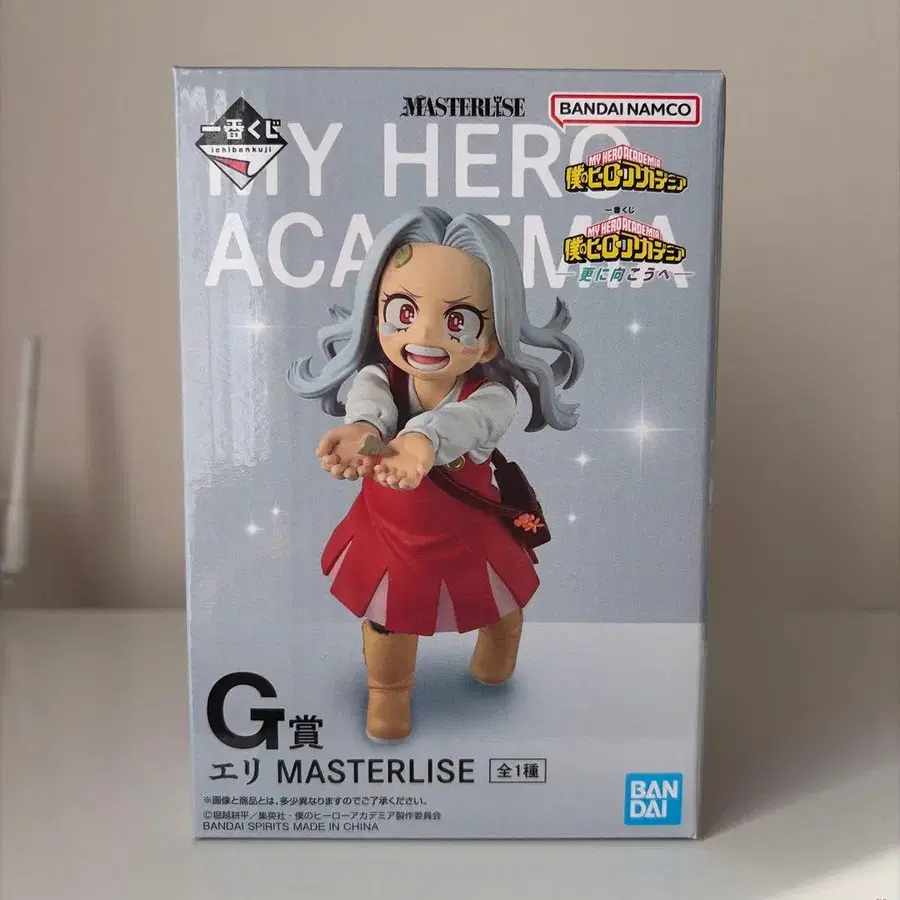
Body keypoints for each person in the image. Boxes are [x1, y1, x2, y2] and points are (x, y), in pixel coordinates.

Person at [287, 207, 582, 742]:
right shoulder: (378, 377)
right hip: (389, 533)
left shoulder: (492, 396)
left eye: (458, 321)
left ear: (492, 338)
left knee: (500, 607)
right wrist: (361, 432)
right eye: (402, 311)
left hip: (468, 532)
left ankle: (498, 653)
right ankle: (388, 692)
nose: (423, 334)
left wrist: (422, 441)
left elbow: (466, 422)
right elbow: (370, 404)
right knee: (388, 618)